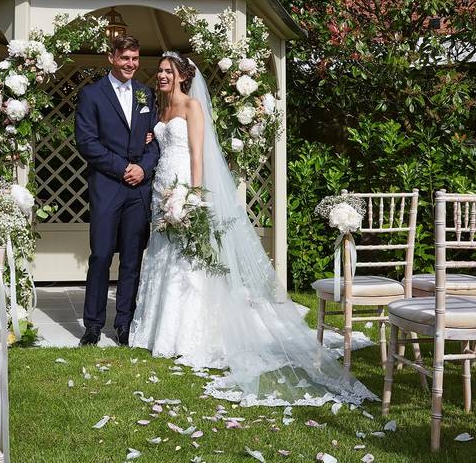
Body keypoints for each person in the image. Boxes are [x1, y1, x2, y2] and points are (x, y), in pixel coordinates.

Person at [130, 51, 376, 407]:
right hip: (161, 190)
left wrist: (195, 196)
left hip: (185, 187)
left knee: (190, 263)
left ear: (184, 76)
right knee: (164, 255)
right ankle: (157, 332)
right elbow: (162, 144)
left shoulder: (192, 108)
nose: (162, 76)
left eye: (168, 72)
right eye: (161, 72)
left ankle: (188, 335)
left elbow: (197, 154)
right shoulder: (160, 109)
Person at [74, 35, 160, 346]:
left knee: (133, 259)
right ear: (112, 58)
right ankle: (93, 326)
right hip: (107, 185)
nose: (131, 64)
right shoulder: (92, 95)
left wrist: (144, 168)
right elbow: (86, 142)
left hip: (139, 190)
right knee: (100, 256)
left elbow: (156, 141)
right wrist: (121, 167)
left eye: (135, 59)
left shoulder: (145, 95)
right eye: (125, 58)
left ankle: (124, 324)